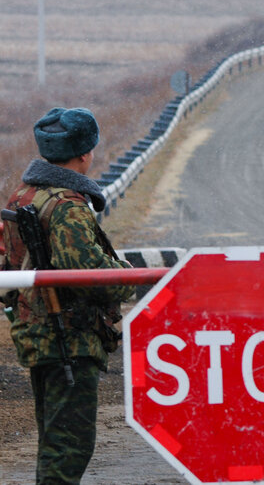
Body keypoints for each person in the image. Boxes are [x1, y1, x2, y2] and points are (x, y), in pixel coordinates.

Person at [1, 107, 135, 484]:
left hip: (38, 335)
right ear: (85, 154)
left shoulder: (22, 197)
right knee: (69, 449)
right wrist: (128, 276)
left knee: (54, 443)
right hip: (69, 341)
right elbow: (88, 276)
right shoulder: (67, 206)